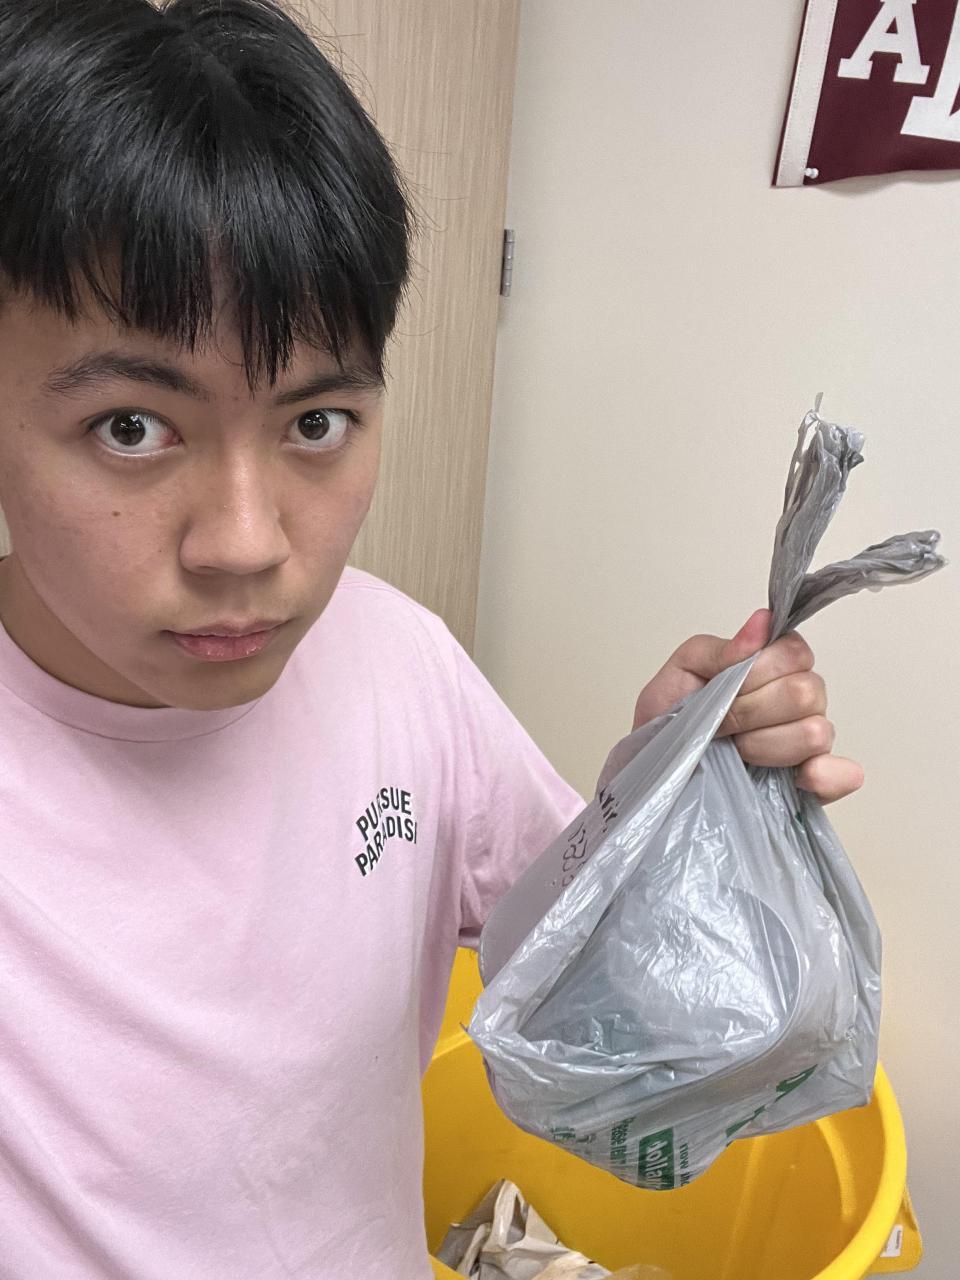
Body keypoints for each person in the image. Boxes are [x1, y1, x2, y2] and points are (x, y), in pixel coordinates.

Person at [0, 0, 865, 1276]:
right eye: (133, 425)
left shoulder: (395, 657)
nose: (245, 541)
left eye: (316, 423)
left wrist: (673, 803)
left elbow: (587, 993)